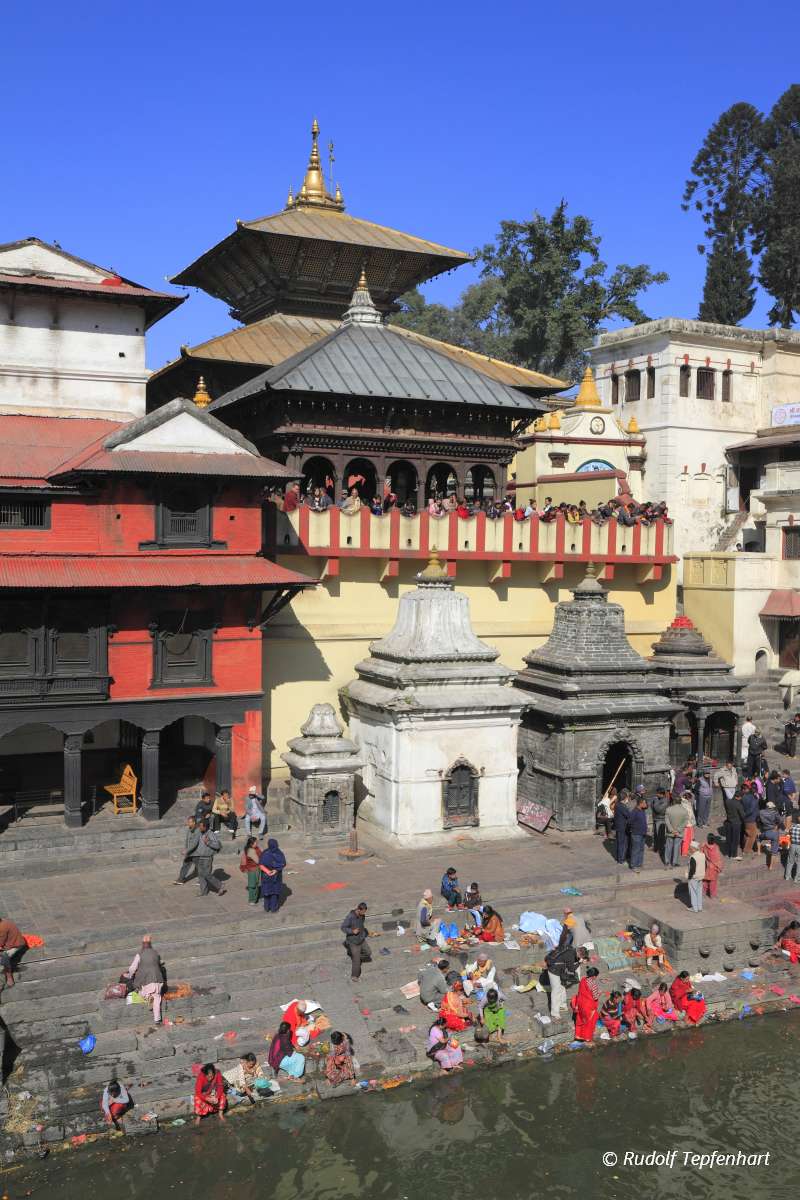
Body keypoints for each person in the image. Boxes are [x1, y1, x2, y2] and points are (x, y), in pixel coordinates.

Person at [123, 934, 165, 1024]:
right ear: (150, 944)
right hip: (158, 981)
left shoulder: (140, 954)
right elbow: (160, 963)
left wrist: (130, 975)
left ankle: (147, 996)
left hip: (146, 982)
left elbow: (132, 968)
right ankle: (157, 1019)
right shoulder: (155, 953)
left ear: (142, 944)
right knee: (157, 998)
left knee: (140, 991)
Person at [545, 939, 580, 1019]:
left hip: (558, 969)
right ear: (579, 954)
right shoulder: (571, 956)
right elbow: (571, 969)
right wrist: (579, 962)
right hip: (554, 972)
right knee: (556, 991)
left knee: (562, 987)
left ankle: (562, 1005)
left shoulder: (570, 949)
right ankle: (555, 1012)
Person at [191, 820, 226, 896]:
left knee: (207, 874)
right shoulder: (200, 833)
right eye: (199, 826)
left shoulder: (211, 834)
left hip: (207, 858)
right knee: (200, 874)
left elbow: (217, 845)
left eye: (201, 826)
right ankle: (203, 891)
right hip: (200, 857)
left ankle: (220, 885)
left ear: (205, 827)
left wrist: (208, 842)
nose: (199, 827)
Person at [341, 902, 371, 981]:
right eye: (363, 912)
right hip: (353, 941)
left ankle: (356, 957)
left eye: (365, 912)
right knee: (356, 960)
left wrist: (365, 933)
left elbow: (362, 925)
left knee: (368, 952)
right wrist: (352, 931)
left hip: (361, 938)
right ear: (358, 909)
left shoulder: (362, 916)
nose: (364, 914)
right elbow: (343, 927)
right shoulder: (350, 917)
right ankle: (354, 976)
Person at [571, 967, 601, 1042]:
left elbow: (580, 992)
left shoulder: (583, 980)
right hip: (589, 1006)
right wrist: (599, 993)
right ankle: (587, 1038)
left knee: (580, 1019)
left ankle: (578, 1036)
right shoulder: (593, 984)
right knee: (589, 1022)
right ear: (594, 976)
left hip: (580, 1003)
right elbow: (595, 997)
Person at [259, 837, 286, 913]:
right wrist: (276, 870)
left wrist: (267, 871)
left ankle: (266, 908)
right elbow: (283, 863)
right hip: (276, 876)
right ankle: (273, 908)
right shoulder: (279, 853)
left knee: (267, 892)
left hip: (266, 875)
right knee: (274, 893)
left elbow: (261, 864)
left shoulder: (265, 852)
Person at [0, 914, 26, 988]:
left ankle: (9, 975)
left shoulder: (1, 928)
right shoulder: (3, 922)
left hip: (15, 945)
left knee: (4, 958)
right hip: (8, 941)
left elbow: (0, 943)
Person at [664, 793, 689, 868]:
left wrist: (671, 830)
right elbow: (685, 822)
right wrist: (678, 830)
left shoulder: (668, 809)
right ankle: (674, 862)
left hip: (670, 831)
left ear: (674, 801)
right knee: (676, 847)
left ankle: (667, 861)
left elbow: (667, 821)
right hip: (679, 832)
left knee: (668, 846)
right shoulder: (684, 811)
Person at [174, 815, 199, 885]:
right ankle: (181, 879)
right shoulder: (189, 829)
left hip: (196, 853)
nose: (188, 823)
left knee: (200, 867)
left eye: (190, 822)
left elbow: (195, 843)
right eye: (188, 822)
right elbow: (187, 840)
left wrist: (187, 850)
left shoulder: (198, 831)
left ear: (194, 822)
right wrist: (185, 848)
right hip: (189, 852)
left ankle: (202, 880)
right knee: (185, 865)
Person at [758, 802, 782, 869]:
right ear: (771, 807)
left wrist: (760, 828)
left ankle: (759, 852)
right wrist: (776, 826)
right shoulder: (775, 813)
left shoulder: (761, 812)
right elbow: (780, 821)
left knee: (758, 838)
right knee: (774, 850)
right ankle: (771, 866)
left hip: (764, 831)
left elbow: (758, 821)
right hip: (773, 832)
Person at [723, 789, 745, 861]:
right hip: (736, 823)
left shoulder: (727, 801)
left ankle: (728, 853)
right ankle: (733, 855)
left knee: (729, 839)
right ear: (738, 797)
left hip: (728, 822)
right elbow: (743, 815)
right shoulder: (738, 804)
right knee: (735, 840)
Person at [240, 835, 263, 904]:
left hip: (253, 869)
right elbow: (258, 861)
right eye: (255, 842)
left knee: (255, 883)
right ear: (251, 844)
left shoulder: (251, 849)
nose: (257, 843)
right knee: (253, 885)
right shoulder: (251, 851)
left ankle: (255, 897)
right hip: (253, 869)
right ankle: (252, 899)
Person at [628, 796, 648, 872]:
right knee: (635, 849)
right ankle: (633, 865)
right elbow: (629, 822)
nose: (646, 804)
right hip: (636, 833)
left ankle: (639, 863)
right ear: (640, 803)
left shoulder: (642, 811)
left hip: (643, 833)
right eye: (645, 803)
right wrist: (635, 828)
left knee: (641, 849)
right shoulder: (634, 812)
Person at [686, 841, 705, 912]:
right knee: (699, 892)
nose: (689, 849)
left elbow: (692, 869)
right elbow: (705, 865)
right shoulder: (702, 855)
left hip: (694, 877)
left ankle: (695, 908)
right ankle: (700, 907)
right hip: (701, 876)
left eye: (690, 848)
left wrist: (689, 877)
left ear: (693, 848)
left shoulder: (693, 857)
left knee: (693, 892)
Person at [651, 788, 669, 860]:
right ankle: (656, 848)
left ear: (662, 794)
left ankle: (661, 850)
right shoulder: (657, 799)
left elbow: (658, 809)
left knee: (660, 835)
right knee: (655, 835)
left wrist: (655, 801)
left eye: (658, 793)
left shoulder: (665, 801)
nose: (656, 794)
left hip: (661, 820)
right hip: (655, 819)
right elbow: (651, 806)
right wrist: (655, 802)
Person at [741, 786, 760, 856]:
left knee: (747, 834)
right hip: (751, 819)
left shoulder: (744, 797)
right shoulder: (754, 800)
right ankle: (747, 850)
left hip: (745, 819)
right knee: (752, 835)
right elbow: (751, 810)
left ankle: (745, 847)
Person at [613, 796, 630, 865]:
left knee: (619, 843)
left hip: (618, 826)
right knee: (622, 844)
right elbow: (628, 814)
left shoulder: (617, 805)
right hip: (622, 827)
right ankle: (621, 859)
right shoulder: (622, 806)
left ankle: (618, 858)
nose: (627, 799)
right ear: (624, 799)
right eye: (627, 798)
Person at [785, 811, 800, 881]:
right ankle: (796, 878)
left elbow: (788, 834)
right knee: (799, 863)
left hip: (792, 845)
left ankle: (787, 876)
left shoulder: (792, 827)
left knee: (790, 861)